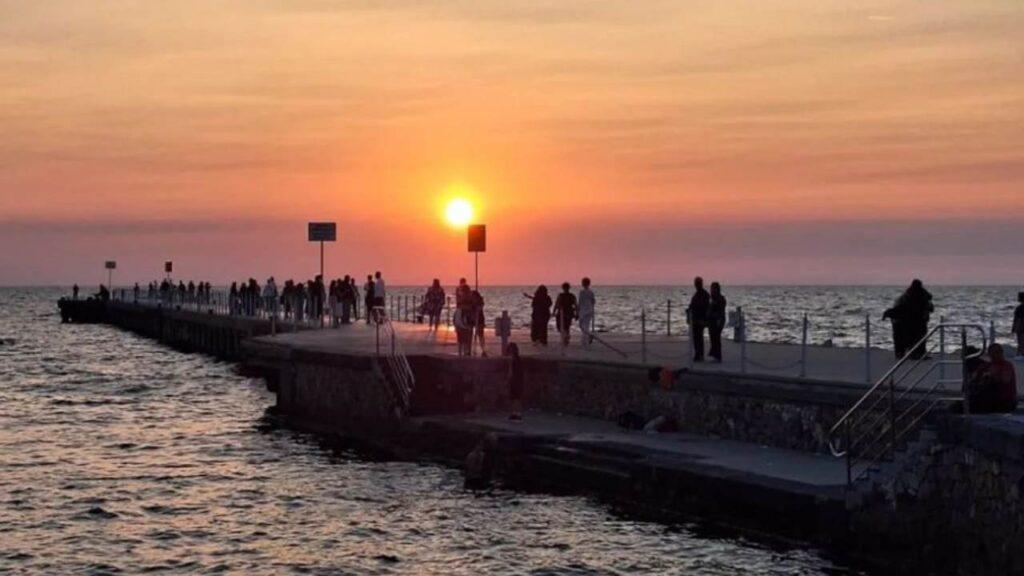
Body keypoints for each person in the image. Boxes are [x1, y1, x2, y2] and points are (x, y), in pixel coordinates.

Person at [883, 279, 934, 359]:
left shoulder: (908, 295)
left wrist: (888, 314)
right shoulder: (920, 295)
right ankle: (915, 353)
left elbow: (899, 308)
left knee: (909, 338)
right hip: (914, 320)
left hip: (912, 320)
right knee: (916, 338)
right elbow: (930, 306)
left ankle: (908, 353)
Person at [687, 276, 710, 362]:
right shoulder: (696, 295)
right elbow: (693, 305)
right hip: (695, 319)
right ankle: (698, 354)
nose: (697, 285)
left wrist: (704, 319)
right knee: (696, 337)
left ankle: (699, 354)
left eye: (698, 283)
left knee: (699, 337)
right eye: (696, 283)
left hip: (700, 319)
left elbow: (706, 307)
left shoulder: (704, 295)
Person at [552, 282, 577, 348]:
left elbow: (557, 304)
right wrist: (576, 313)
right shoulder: (572, 295)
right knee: (567, 326)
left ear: (563, 288)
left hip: (562, 313)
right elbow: (576, 305)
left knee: (560, 326)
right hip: (569, 312)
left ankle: (565, 337)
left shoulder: (561, 295)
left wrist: (554, 312)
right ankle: (566, 336)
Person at [708, 282, 727, 363]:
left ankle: (718, 356)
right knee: (713, 337)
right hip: (712, 321)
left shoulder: (720, 299)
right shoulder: (712, 298)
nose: (712, 290)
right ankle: (715, 354)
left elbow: (720, 311)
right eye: (711, 288)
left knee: (716, 337)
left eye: (713, 288)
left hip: (718, 320)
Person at [507, 342, 524, 421]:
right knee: (515, 398)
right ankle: (515, 413)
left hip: (516, 380)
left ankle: (516, 413)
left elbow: (511, 372)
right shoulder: (517, 359)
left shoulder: (514, 360)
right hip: (517, 380)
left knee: (515, 398)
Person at [578, 277, 596, 347]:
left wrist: (578, 310)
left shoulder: (582, 292)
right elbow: (593, 301)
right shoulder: (591, 292)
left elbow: (580, 302)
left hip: (584, 311)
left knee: (583, 326)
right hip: (589, 310)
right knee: (585, 326)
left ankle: (585, 341)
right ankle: (586, 339)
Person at [471, 290, 488, 357]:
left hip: (480, 320)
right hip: (475, 320)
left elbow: (478, 312)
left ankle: (483, 349)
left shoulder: (479, 303)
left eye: (473, 296)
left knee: (480, 335)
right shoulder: (473, 303)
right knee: (478, 335)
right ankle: (480, 349)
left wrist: (476, 321)